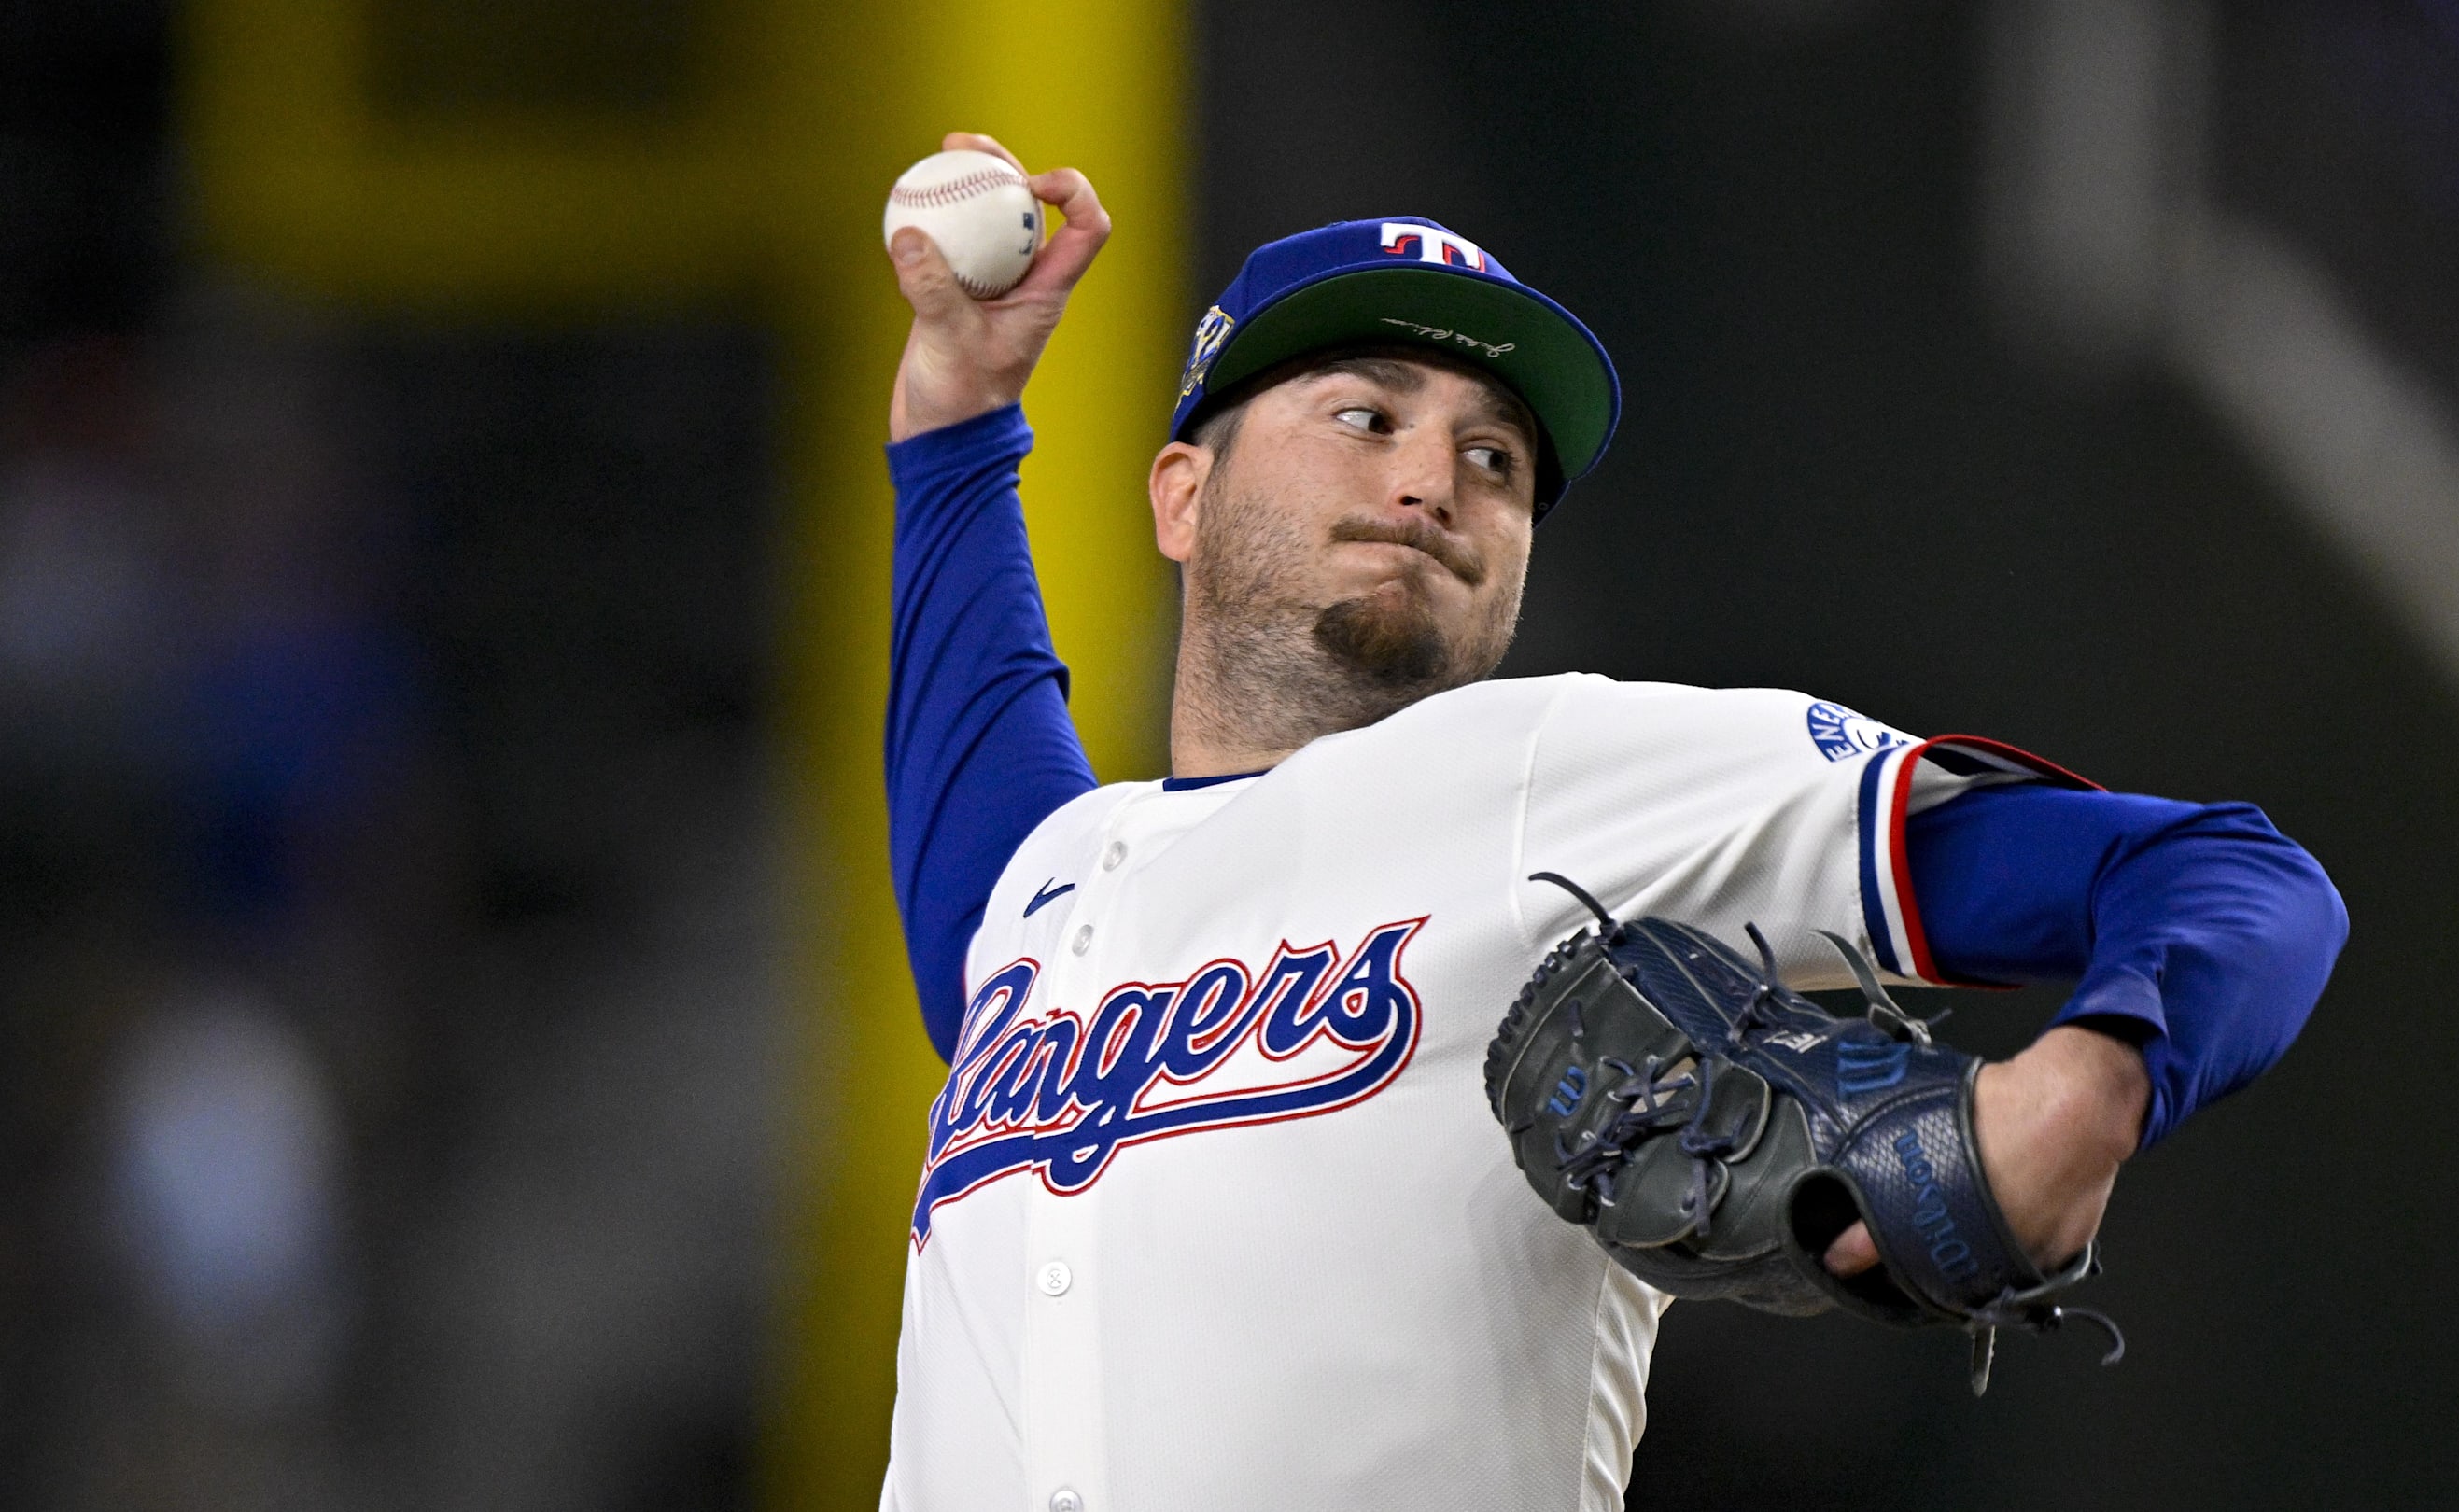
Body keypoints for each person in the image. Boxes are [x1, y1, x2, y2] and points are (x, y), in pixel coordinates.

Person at [875, 133, 2346, 1512]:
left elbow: (2230, 876)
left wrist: (2088, 1088)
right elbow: (967, 691)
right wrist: (956, 400)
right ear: (1183, 495)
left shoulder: (1565, 769)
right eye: (1365, 413)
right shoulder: (1043, 895)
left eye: (1495, 460)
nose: (1429, 479)